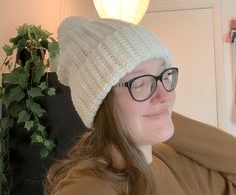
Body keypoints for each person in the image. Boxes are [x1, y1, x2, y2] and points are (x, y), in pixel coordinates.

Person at [44, 16, 236, 195]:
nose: (164, 95)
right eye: (140, 83)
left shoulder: (169, 160)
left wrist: (159, 114)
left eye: (164, 75)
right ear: (101, 103)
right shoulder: (88, 188)